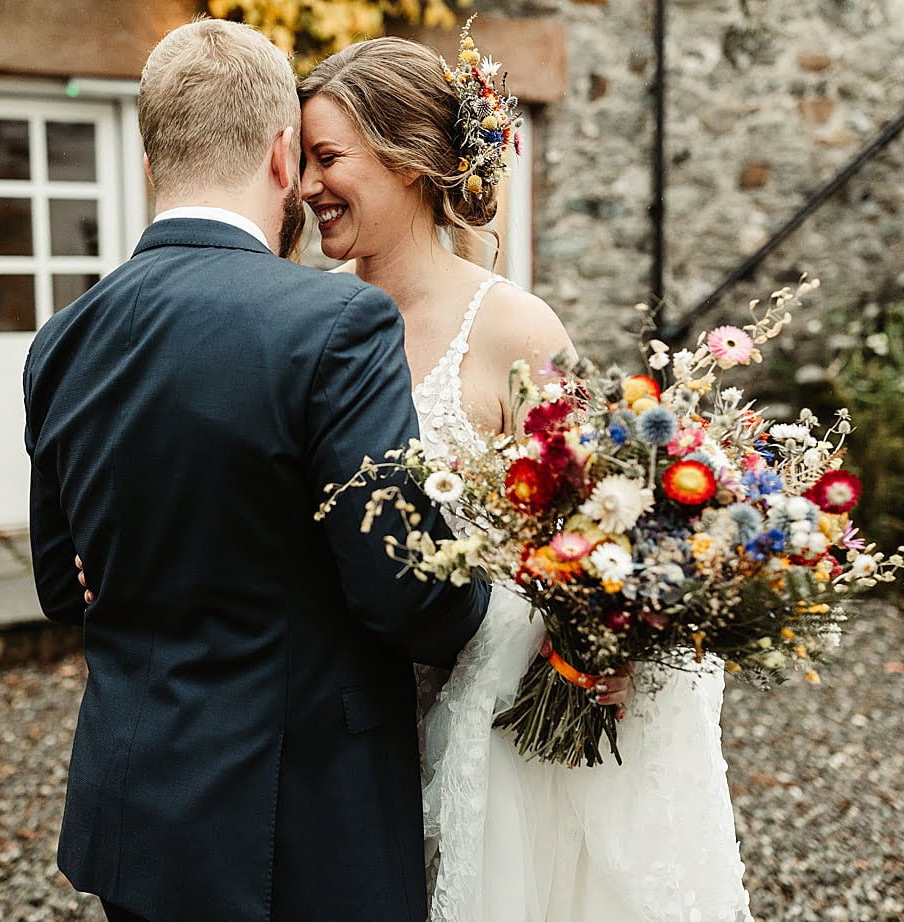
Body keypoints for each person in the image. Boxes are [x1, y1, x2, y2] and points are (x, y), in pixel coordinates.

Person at [23, 19, 491, 922]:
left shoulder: (61, 340)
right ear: (283, 155)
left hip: (136, 817)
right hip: (301, 824)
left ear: (152, 157)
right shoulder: (334, 326)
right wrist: (484, 608)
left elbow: (59, 584)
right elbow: (407, 594)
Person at [298, 33, 752, 920]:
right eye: (305, 160)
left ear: (410, 162)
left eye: (327, 158)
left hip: (502, 716)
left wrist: (609, 648)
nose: (309, 185)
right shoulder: (310, 316)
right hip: (352, 720)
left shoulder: (511, 328)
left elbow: (615, 514)